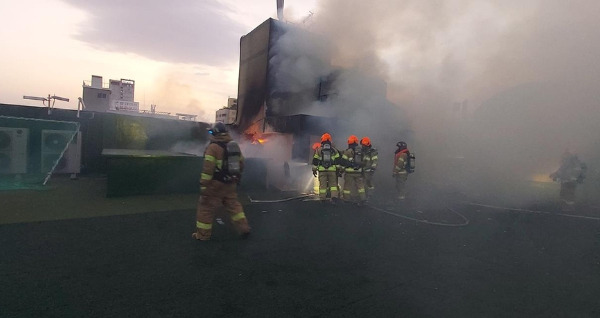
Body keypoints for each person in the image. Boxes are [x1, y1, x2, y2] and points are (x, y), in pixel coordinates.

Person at [193, 122, 250, 241]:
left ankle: (203, 235)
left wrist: (204, 188)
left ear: (214, 133)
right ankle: (244, 228)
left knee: (206, 207)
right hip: (231, 183)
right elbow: (242, 164)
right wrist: (236, 178)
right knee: (234, 207)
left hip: (216, 185)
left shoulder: (213, 147)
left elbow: (207, 170)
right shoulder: (234, 146)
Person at [312, 133, 341, 203]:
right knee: (333, 185)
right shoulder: (334, 150)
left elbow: (315, 161)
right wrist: (338, 170)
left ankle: (322, 199)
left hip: (322, 170)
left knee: (322, 185)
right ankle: (334, 197)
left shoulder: (318, 150)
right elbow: (337, 161)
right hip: (332, 170)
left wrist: (314, 170)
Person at [341, 135, 367, 205]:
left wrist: (342, 170)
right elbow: (365, 162)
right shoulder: (361, 152)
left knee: (347, 186)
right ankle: (363, 198)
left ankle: (346, 199)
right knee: (360, 187)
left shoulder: (348, 152)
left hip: (349, 173)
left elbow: (343, 161)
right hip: (358, 172)